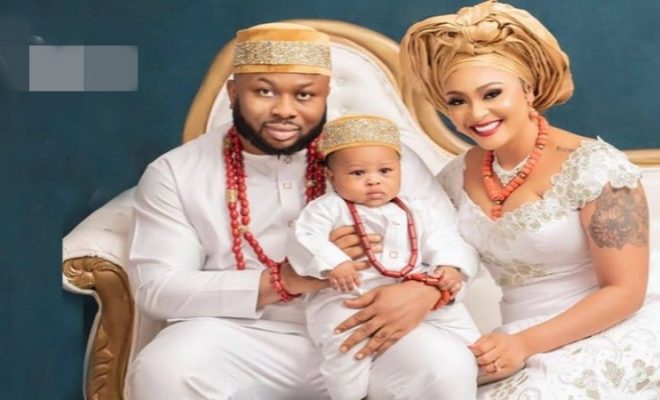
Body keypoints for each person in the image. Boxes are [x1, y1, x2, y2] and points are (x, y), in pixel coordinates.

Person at [127, 22, 480, 399]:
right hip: (242, 334)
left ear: (325, 96)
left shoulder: (378, 159)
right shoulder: (176, 172)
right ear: (233, 93)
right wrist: (284, 280)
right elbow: (157, 289)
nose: (284, 110)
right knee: (165, 369)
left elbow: (454, 244)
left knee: (445, 365)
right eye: (264, 91)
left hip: (368, 323)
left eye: (305, 95)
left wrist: (427, 291)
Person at [400, 1, 660, 398]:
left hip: (614, 327)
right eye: (457, 101)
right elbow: (421, 255)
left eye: (492, 93)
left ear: (529, 89)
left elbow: (625, 292)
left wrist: (524, 344)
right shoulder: (453, 179)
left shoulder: (595, 166)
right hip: (513, 339)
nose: (477, 113)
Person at [287, 114, 479, 400]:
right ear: (332, 177)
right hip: (348, 297)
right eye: (358, 173)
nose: (373, 181)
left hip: (413, 291)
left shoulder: (417, 209)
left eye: (385, 171)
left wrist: (450, 267)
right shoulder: (327, 208)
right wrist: (334, 263)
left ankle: (480, 361)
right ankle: (348, 395)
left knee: (457, 319)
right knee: (345, 345)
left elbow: (445, 238)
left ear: (400, 170)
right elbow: (304, 238)